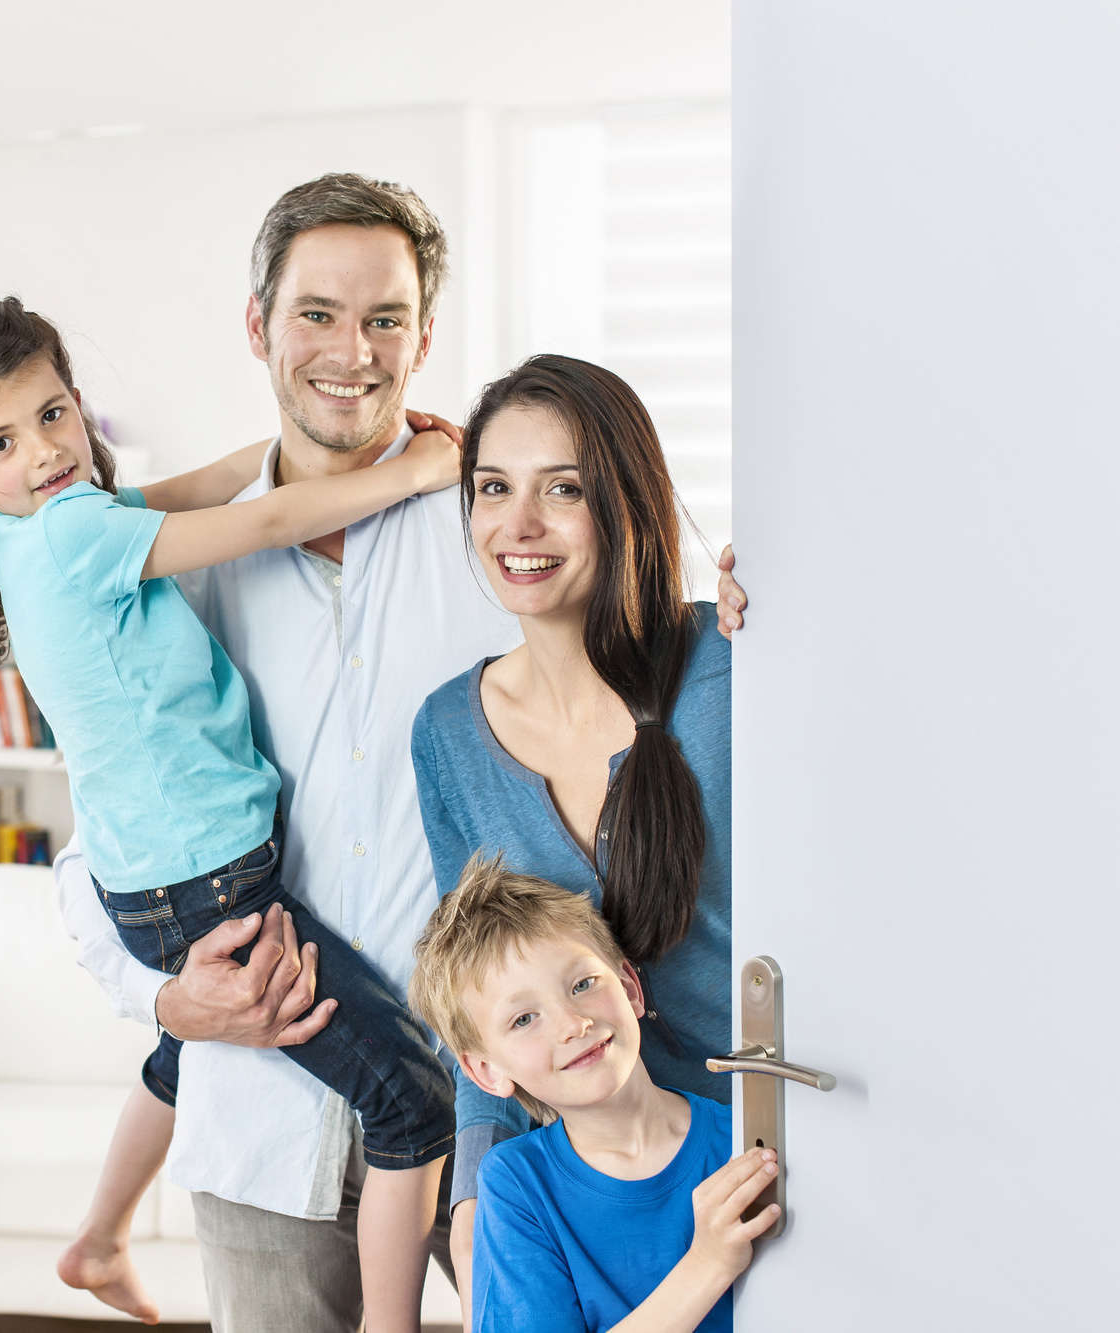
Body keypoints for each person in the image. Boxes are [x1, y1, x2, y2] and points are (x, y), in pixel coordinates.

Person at [56, 175, 744, 1331]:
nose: (351, 351)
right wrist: (169, 998)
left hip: (520, 1117)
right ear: (258, 327)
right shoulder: (172, 576)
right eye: (315, 314)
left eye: (385, 319)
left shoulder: (492, 527)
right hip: (267, 1118)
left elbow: (645, 616)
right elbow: (103, 844)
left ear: (425, 336)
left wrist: (743, 597)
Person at [0, 295, 460, 1332]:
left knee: (187, 1048)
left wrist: (293, 445)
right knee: (409, 1093)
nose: (47, 452)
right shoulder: (72, 540)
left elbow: (198, 485)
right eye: (3, 442)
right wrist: (413, 471)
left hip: (156, 880)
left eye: (55, 415)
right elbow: (264, 521)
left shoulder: (50, 527)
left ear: (78, 404)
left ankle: (99, 1236)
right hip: (210, 878)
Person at [410, 353, 733, 1310]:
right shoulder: (447, 733)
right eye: (493, 489)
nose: (521, 526)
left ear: (626, 501)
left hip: (755, 1153)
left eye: (565, 490)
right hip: (596, 1191)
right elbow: (475, 981)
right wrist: (469, 1193)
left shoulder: (731, 662)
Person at [410, 856, 777, 1332]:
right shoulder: (517, 1185)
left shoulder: (746, 1141)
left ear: (629, 988)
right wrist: (708, 1263)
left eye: (583, 984)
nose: (572, 1024)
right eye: (524, 1019)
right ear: (488, 1071)